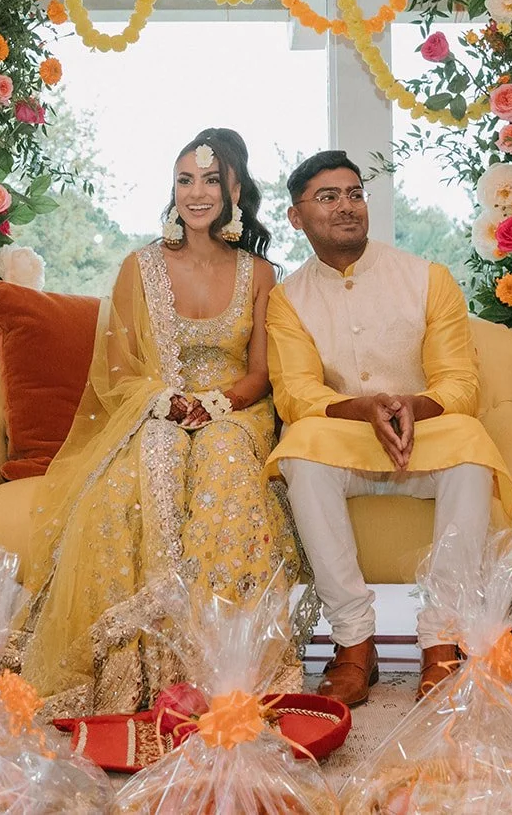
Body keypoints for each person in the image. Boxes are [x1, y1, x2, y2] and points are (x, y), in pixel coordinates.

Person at [21, 128, 302, 715]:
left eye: (210, 180)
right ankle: (141, 668)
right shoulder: (140, 267)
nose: (196, 193)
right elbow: (121, 371)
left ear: (234, 191)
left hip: (236, 412)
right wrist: (169, 403)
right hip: (155, 407)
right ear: (172, 188)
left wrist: (217, 404)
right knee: (149, 462)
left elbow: (260, 376)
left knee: (224, 459)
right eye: (184, 180)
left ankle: (226, 665)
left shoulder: (260, 273)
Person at [265, 150, 512, 706]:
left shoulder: (427, 279)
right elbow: (296, 392)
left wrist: (414, 405)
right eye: (328, 197)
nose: (346, 207)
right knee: (301, 453)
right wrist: (360, 410)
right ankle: (355, 644)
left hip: (425, 432)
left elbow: (459, 382)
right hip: (346, 437)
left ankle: (442, 640)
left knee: (472, 449)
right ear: (296, 217)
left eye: (354, 193)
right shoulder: (288, 300)